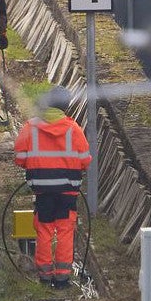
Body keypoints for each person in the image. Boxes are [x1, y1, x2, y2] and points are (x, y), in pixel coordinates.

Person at [14, 88, 92, 288]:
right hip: (67, 190)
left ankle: (45, 276)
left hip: (42, 190)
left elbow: (20, 158)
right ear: (65, 106)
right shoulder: (73, 129)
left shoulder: (30, 127)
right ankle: (62, 278)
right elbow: (85, 160)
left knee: (44, 231)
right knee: (65, 230)